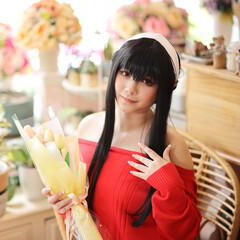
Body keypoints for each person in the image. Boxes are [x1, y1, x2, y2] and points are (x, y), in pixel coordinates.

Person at [42, 32, 202, 239]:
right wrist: (62, 204)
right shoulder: (87, 128)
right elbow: (80, 211)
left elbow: (187, 233)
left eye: (146, 80)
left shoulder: (171, 144)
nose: (130, 89)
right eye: (125, 73)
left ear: (162, 89)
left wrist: (168, 185)